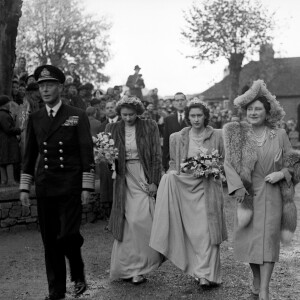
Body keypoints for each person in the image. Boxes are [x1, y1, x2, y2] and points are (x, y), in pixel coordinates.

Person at [19, 65, 95, 300]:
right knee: (50, 240)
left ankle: (78, 270)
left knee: (68, 235)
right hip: (45, 185)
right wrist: (24, 186)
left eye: (50, 85)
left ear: (60, 87)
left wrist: (87, 186)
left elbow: (86, 151)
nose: (45, 89)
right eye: (41, 86)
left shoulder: (76, 115)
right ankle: (56, 290)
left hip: (70, 185)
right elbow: (29, 154)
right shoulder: (35, 117)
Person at [223, 80, 297, 300]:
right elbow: (228, 164)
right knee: (250, 242)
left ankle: (264, 289)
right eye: (250, 109)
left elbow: (293, 163)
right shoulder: (237, 134)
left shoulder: (280, 134)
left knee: (268, 242)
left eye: (258, 109)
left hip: (273, 195)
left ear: (268, 112)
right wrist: (237, 189)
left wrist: (281, 173)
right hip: (247, 195)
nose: (253, 113)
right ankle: (255, 279)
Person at [150, 98, 227, 287]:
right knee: (193, 232)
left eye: (199, 115)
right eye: (192, 116)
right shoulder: (178, 137)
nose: (196, 119)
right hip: (186, 188)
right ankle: (197, 269)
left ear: (206, 116)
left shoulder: (217, 135)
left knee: (208, 231)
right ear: (187, 117)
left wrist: (214, 169)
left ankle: (207, 275)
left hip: (208, 187)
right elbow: (173, 164)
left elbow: (224, 162)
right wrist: (171, 176)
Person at [105, 95, 163, 283]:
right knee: (127, 223)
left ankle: (145, 263)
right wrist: (107, 160)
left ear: (137, 112)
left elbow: (156, 154)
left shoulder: (149, 126)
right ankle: (130, 269)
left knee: (142, 219)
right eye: (124, 115)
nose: (128, 118)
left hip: (142, 174)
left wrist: (154, 181)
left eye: (131, 114)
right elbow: (108, 156)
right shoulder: (112, 128)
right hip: (123, 178)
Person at [92, 100, 121, 223]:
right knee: (108, 188)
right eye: (107, 108)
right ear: (104, 110)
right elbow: (98, 145)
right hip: (106, 162)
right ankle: (110, 218)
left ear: (116, 108)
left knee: (121, 188)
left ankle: (122, 216)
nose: (109, 109)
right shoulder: (101, 126)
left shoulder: (123, 123)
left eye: (112, 107)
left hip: (122, 161)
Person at [162, 92, 189, 172]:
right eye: (177, 100)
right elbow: (166, 141)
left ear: (186, 101)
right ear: (174, 103)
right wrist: (164, 163)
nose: (180, 103)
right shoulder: (168, 119)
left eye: (182, 100)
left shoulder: (192, 118)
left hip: (189, 157)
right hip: (174, 158)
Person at [0, 95, 21, 186]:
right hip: (7, 141)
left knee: (2, 161)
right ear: (5, 104)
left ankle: (4, 180)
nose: (10, 105)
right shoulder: (3, 114)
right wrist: (19, 130)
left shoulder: (2, 114)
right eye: (9, 103)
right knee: (9, 160)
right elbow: (8, 129)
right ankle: (11, 180)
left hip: (3, 141)